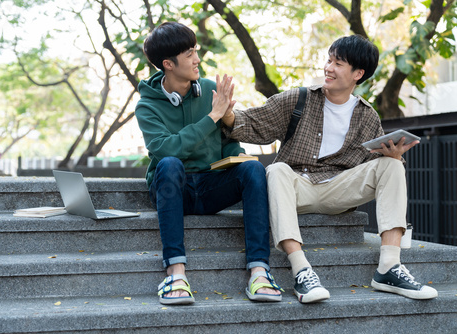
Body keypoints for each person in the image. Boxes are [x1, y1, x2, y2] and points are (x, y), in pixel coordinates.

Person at [219, 34, 438, 303]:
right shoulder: (299, 100)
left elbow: (373, 170)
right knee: (275, 171)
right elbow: (252, 123)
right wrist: (226, 112)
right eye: (329, 60)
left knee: (392, 167)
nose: (328, 68)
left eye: (338, 63)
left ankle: (389, 268)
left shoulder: (367, 116)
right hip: (295, 187)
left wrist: (392, 157)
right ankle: (302, 271)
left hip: (339, 189)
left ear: (358, 73)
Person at [135, 21, 283, 305]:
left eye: (195, 51)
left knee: (252, 167)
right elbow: (167, 148)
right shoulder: (147, 106)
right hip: (171, 188)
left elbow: (227, 140)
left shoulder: (208, 90)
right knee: (169, 164)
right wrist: (213, 117)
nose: (197, 59)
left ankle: (260, 272)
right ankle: (175, 273)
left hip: (209, 187)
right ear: (168, 63)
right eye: (189, 53)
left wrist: (235, 153)